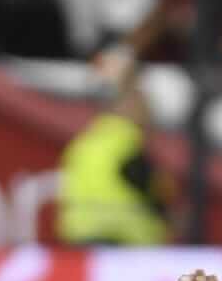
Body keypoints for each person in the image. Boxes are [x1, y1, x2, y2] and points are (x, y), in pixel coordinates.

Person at [58, 75, 172, 247]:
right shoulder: (127, 142)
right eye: (145, 108)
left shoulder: (84, 142)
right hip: (121, 237)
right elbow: (147, 184)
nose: (149, 116)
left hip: (78, 234)